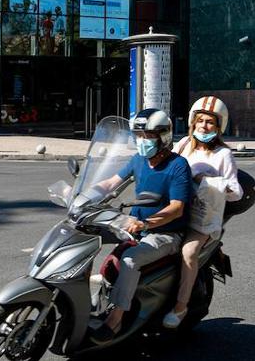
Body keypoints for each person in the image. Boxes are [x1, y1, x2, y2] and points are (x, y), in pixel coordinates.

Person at [90, 108, 192, 341]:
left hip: (166, 233)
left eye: (148, 136)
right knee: (91, 240)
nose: (142, 141)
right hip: (134, 224)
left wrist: (146, 223)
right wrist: (83, 195)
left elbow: (177, 207)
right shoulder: (138, 159)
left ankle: (114, 321)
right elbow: (111, 183)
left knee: (129, 260)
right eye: (139, 136)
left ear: (163, 136)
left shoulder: (178, 165)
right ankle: (94, 302)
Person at [165, 96, 243, 329]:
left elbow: (236, 191)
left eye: (210, 122)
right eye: (200, 121)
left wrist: (210, 182)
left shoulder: (223, 155)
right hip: (176, 207)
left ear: (219, 127)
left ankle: (180, 307)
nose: (204, 126)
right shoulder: (182, 145)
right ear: (193, 122)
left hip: (202, 218)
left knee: (188, 252)